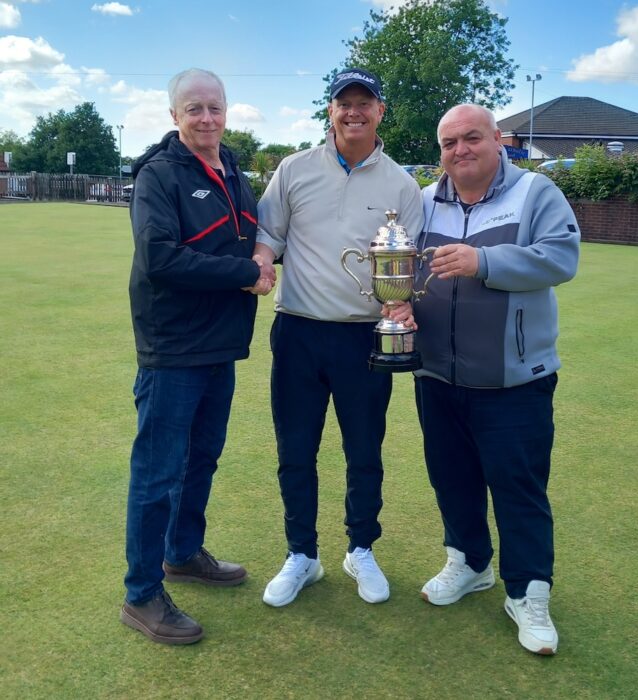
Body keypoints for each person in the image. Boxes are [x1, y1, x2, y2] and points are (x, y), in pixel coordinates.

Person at [410, 104, 579, 654]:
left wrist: (482, 262)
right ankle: (470, 562)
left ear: (497, 140)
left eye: (471, 138)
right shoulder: (423, 199)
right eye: (449, 141)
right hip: (437, 374)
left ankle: (528, 592)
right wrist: (405, 309)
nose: (460, 150)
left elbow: (560, 258)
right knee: (452, 478)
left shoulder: (535, 192)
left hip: (515, 380)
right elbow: (409, 269)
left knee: (518, 488)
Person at [252, 68, 423, 607]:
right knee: (295, 450)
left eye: (364, 103)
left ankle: (361, 548)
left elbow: (409, 267)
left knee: (364, 451)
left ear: (380, 111)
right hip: (298, 331)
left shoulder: (401, 183)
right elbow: (269, 235)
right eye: (344, 103)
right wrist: (260, 262)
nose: (354, 112)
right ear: (330, 111)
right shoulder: (293, 168)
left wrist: (405, 301)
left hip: (365, 340)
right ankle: (302, 554)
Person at [121, 68, 275, 645]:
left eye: (214, 108)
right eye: (194, 109)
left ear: (226, 111)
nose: (206, 119)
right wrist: (245, 273)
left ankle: (182, 554)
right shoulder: (159, 175)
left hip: (220, 345)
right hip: (173, 347)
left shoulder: (232, 167)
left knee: (202, 458)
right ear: (174, 116)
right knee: (157, 473)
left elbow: (252, 232)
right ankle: (140, 595)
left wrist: (258, 260)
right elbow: (160, 259)